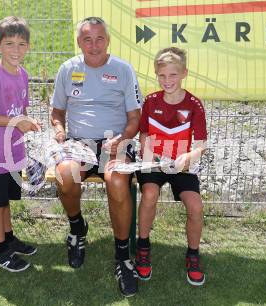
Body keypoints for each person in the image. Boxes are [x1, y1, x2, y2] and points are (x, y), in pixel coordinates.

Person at [50, 17, 142, 297]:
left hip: (115, 141)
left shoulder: (123, 70)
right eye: (87, 39)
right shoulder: (67, 69)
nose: (94, 45)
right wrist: (59, 129)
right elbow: (57, 112)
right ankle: (77, 228)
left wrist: (121, 139)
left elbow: (135, 118)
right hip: (78, 142)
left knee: (116, 181)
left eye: (99, 38)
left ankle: (123, 256)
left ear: (108, 41)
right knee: (65, 175)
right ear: (79, 42)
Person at [135, 47, 208, 286]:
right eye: (162, 75)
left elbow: (200, 144)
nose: (167, 81)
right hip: (155, 163)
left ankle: (193, 255)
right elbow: (144, 134)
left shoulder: (194, 104)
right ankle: (143, 247)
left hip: (181, 165)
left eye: (173, 75)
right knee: (149, 194)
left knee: (196, 206)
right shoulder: (151, 101)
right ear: (156, 75)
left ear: (184, 73)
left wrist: (189, 156)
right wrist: (149, 156)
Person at [0, 16, 41, 272]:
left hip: (13, 150)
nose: (16, 50)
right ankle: (0, 251)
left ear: (28, 46)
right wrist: (16, 122)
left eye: (21, 44)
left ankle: (9, 238)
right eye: (9, 44)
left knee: (5, 201)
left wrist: (28, 121)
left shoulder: (22, 73)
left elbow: (19, 111)